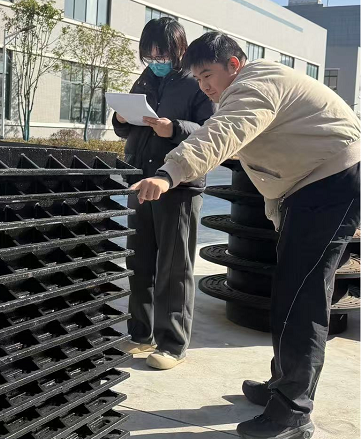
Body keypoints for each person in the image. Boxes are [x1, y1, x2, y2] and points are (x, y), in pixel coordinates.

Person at [132, 32, 360, 439]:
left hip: (334, 182)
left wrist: (169, 173)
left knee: (301, 296)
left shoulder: (255, 84)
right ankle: (283, 386)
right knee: (290, 289)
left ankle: (292, 412)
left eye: (208, 75)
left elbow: (221, 134)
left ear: (233, 65)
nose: (204, 86)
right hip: (315, 185)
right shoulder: (249, 89)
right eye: (198, 79)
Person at [112, 17, 215, 370]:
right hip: (141, 179)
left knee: (174, 267)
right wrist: (120, 121)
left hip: (179, 185)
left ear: (179, 49)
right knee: (139, 262)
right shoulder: (144, 79)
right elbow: (129, 131)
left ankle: (172, 344)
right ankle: (141, 334)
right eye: (150, 55)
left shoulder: (196, 83)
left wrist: (175, 129)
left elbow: (212, 132)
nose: (156, 61)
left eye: (162, 54)